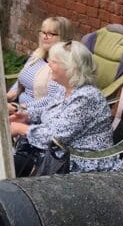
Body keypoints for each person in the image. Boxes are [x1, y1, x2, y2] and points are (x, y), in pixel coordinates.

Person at [10, 40, 116, 176]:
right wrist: (26, 115)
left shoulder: (86, 98)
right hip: (60, 155)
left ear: (70, 67)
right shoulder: (66, 89)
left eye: (53, 61)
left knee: (13, 166)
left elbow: (55, 137)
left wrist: (20, 128)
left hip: (81, 165)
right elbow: (49, 109)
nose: (48, 64)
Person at [7, 16, 73, 112]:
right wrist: (9, 95)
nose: (45, 36)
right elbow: (20, 80)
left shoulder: (60, 67)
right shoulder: (38, 54)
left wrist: (19, 109)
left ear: (64, 38)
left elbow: (52, 100)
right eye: (43, 32)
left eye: (51, 33)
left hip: (33, 114)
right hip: (16, 104)